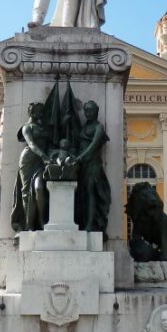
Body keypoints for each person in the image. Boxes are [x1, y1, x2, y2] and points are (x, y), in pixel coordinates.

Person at [11, 102, 52, 232]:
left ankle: (41, 221)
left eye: (42, 111)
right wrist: (45, 157)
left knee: (39, 188)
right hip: (28, 160)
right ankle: (29, 225)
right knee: (26, 193)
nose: (41, 114)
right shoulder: (27, 127)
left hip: (40, 162)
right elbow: (32, 144)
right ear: (32, 112)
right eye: (39, 111)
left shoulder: (44, 127)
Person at [72, 100, 111, 235]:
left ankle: (91, 223)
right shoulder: (84, 128)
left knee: (90, 191)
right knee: (82, 194)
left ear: (97, 111)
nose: (88, 113)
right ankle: (84, 221)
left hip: (92, 163)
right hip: (82, 165)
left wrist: (80, 157)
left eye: (91, 111)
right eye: (86, 111)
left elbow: (92, 147)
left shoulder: (98, 128)